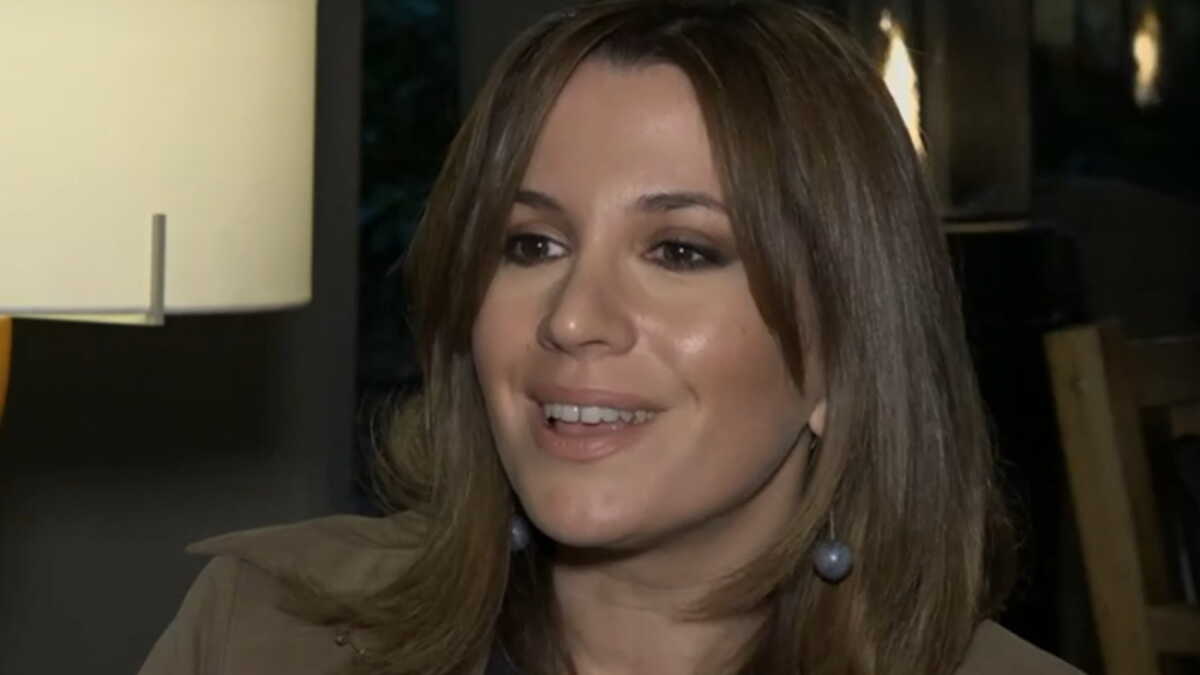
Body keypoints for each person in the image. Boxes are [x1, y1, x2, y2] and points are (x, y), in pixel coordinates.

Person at [140, 2, 1084, 674]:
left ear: (844, 347)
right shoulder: (262, 628)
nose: (572, 317)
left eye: (680, 250)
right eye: (531, 244)